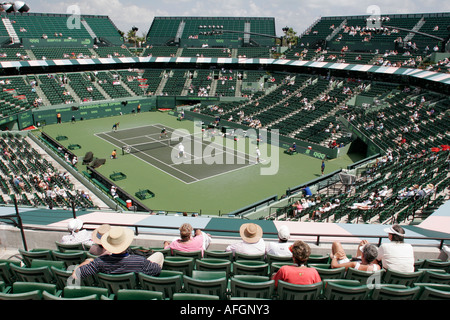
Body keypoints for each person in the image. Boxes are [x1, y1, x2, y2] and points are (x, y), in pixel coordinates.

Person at [72, 226, 163, 280]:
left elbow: (75, 275)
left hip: (112, 292)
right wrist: (148, 263)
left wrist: (88, 260)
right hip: (136, 286)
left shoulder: (99, 261)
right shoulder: (140, 261)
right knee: (159, 255)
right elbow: (157, 270)